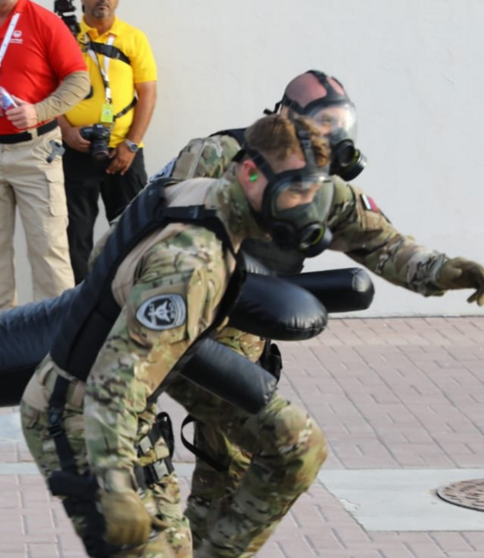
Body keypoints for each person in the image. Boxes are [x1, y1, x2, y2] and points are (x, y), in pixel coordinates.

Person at [153, 71, 484, 558]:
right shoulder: (218, 155)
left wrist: (450, 273)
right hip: (172, 329)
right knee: (168, 466)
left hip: (242, 341)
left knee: (232, 464)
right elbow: (163, 232)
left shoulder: (324, 188)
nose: (334, 135)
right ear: (285, 118)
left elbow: (386, 246)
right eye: (323, 122)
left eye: (340, 123)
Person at [21, 114, 338, 558]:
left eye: (311, 193)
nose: (304, 208)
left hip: (154, 372)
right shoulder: (190, 263)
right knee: (163, 549)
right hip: (83, 408)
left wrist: (434, 271)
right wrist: (115, 485)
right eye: (293, 193)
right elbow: (116, 382)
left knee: (297, 445)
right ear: (249, 174)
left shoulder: (220, 197)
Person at [0, 0, 91, 317]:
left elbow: (79, 80)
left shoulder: (45, 23)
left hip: (36, 151)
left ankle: (54, 337)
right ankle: (0, 340)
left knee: (49, 247)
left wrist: (39, 111)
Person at [59, 0, 158, 283]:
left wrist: (131, 145)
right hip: (75, 152)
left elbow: (148, 94)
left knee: (134, 233)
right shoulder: (65, 36)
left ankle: (125, 303)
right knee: (74, 237)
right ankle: (79, 308)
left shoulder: (133, 38)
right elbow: (44, 89)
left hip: (124, 153)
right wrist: (66, 130)